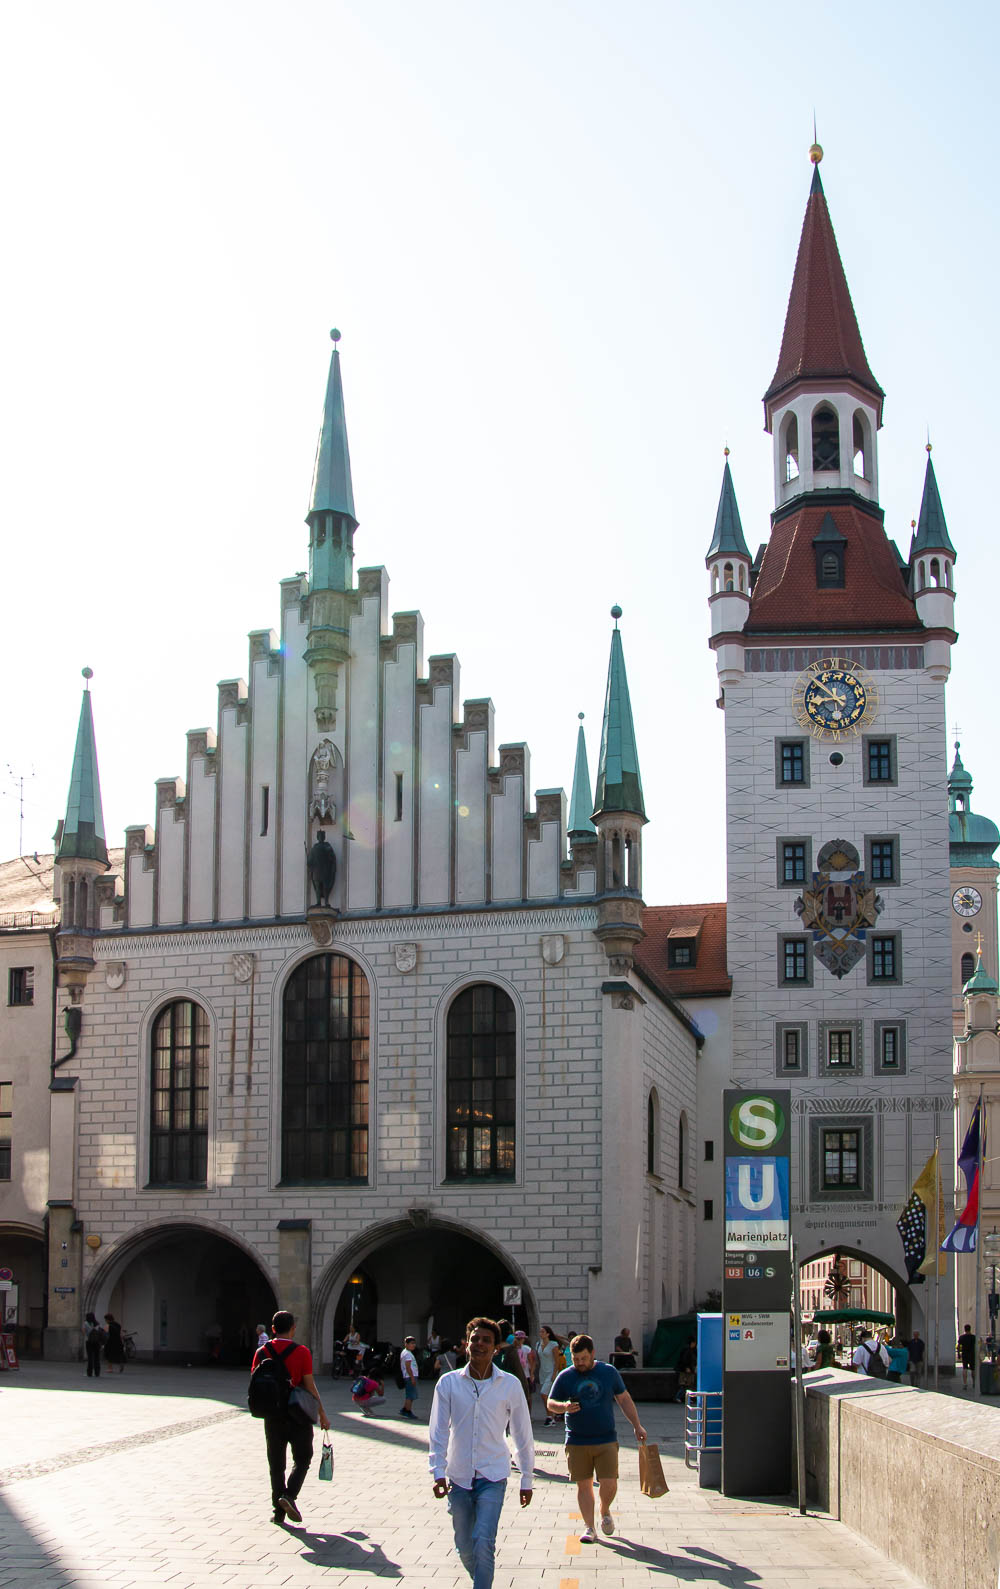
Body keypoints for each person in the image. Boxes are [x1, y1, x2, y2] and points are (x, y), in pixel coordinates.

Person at [429, 1315, 533, 1589]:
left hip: (493, 1476)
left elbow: (523, 1433)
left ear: (496, 1348)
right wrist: (437, 1471)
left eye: (486, 1340)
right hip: (459, 1477)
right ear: (466, 1344)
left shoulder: (509, 1385)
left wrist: (527, 1478)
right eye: (475, 1339)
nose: (480, 1344)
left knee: (483, 1541)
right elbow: (438, 1431)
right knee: (464, 1546)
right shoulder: (449, 1384)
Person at [547, 1332, 647, 1544]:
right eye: (576, 1360)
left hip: (606, 1438)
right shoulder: (566, 1376)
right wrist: (563, 1407)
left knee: (609, 1483)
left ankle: (605, 1509)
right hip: (577, 1439)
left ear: (593, 1354)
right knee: (584, 1485)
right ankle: (589, 1527)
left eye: (583, 1358)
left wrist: (637, 1425)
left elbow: (624, 1399)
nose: (580, 1363)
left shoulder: (608, 1372)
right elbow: (550, 1402)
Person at [251, 1308, 329, 1525]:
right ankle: (289, 1495)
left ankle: (278, 1512)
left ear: (273, 1329)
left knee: (276, 1465)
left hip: (272, 1415)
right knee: (303, 1459)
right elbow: (310, 1386)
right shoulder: (302, 1352)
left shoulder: (261, 1352)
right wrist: (322, 1413)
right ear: (293, 1329)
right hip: (299, 1414)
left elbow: (256, 1383)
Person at [536, 1325, 563, 1425]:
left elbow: (557, 1361)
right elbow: (538, 1360)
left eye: (543, 1332)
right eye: (540, 1332)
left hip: (551, 1371)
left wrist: (554, 1374)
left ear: (548, 1334)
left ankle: (550, 1416)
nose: (541, 1334)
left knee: (543, 1394)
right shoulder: (538, 1344)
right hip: (542, 1372)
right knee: (546, 1395)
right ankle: (551, 1415)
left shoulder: (553, 1344)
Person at [400, 1335, 420, 1418]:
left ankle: (405, 1409)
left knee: (410, 1394)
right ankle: (407, 1411)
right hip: (410, 1376)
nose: (413, 1345)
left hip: (408, 1376)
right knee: (410, 1395)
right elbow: (408, 1367)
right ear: (406, 1344)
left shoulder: (406, 1352)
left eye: (414, 1343)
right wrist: (412, 1378)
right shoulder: (407, 1354)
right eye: (411, 1343)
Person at [674, 1335, 697, 1402]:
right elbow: (685, 1360)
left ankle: (686, 1398)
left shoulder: (689, 1350)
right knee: (685, 1385)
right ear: (692, 1343)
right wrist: (687, 1368)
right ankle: (679, 1397)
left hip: (687, 1370)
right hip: (685, 1370)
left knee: (686, 1385)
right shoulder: (688, 1350)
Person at [83, 1312, 105, 1378]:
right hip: (97, 1342)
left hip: (89, 1341)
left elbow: (84, 1332)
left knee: (90, 1357)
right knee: (97, 1357)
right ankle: (97, 1373)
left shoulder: (85, 1323)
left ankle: (89, 1373)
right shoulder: (97, 1323)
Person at [958, 1324, 977, 1388]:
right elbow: (976, 1346)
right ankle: (974, 1382)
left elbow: (959, 1346)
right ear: (970, 1329)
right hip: (972, 1354)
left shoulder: (961, 1337)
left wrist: (958, 1354)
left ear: (964, 1329)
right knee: (973, 1369)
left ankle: (965, 1383)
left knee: (965, 1368)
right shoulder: (973, 1337)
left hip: (965, 1354)